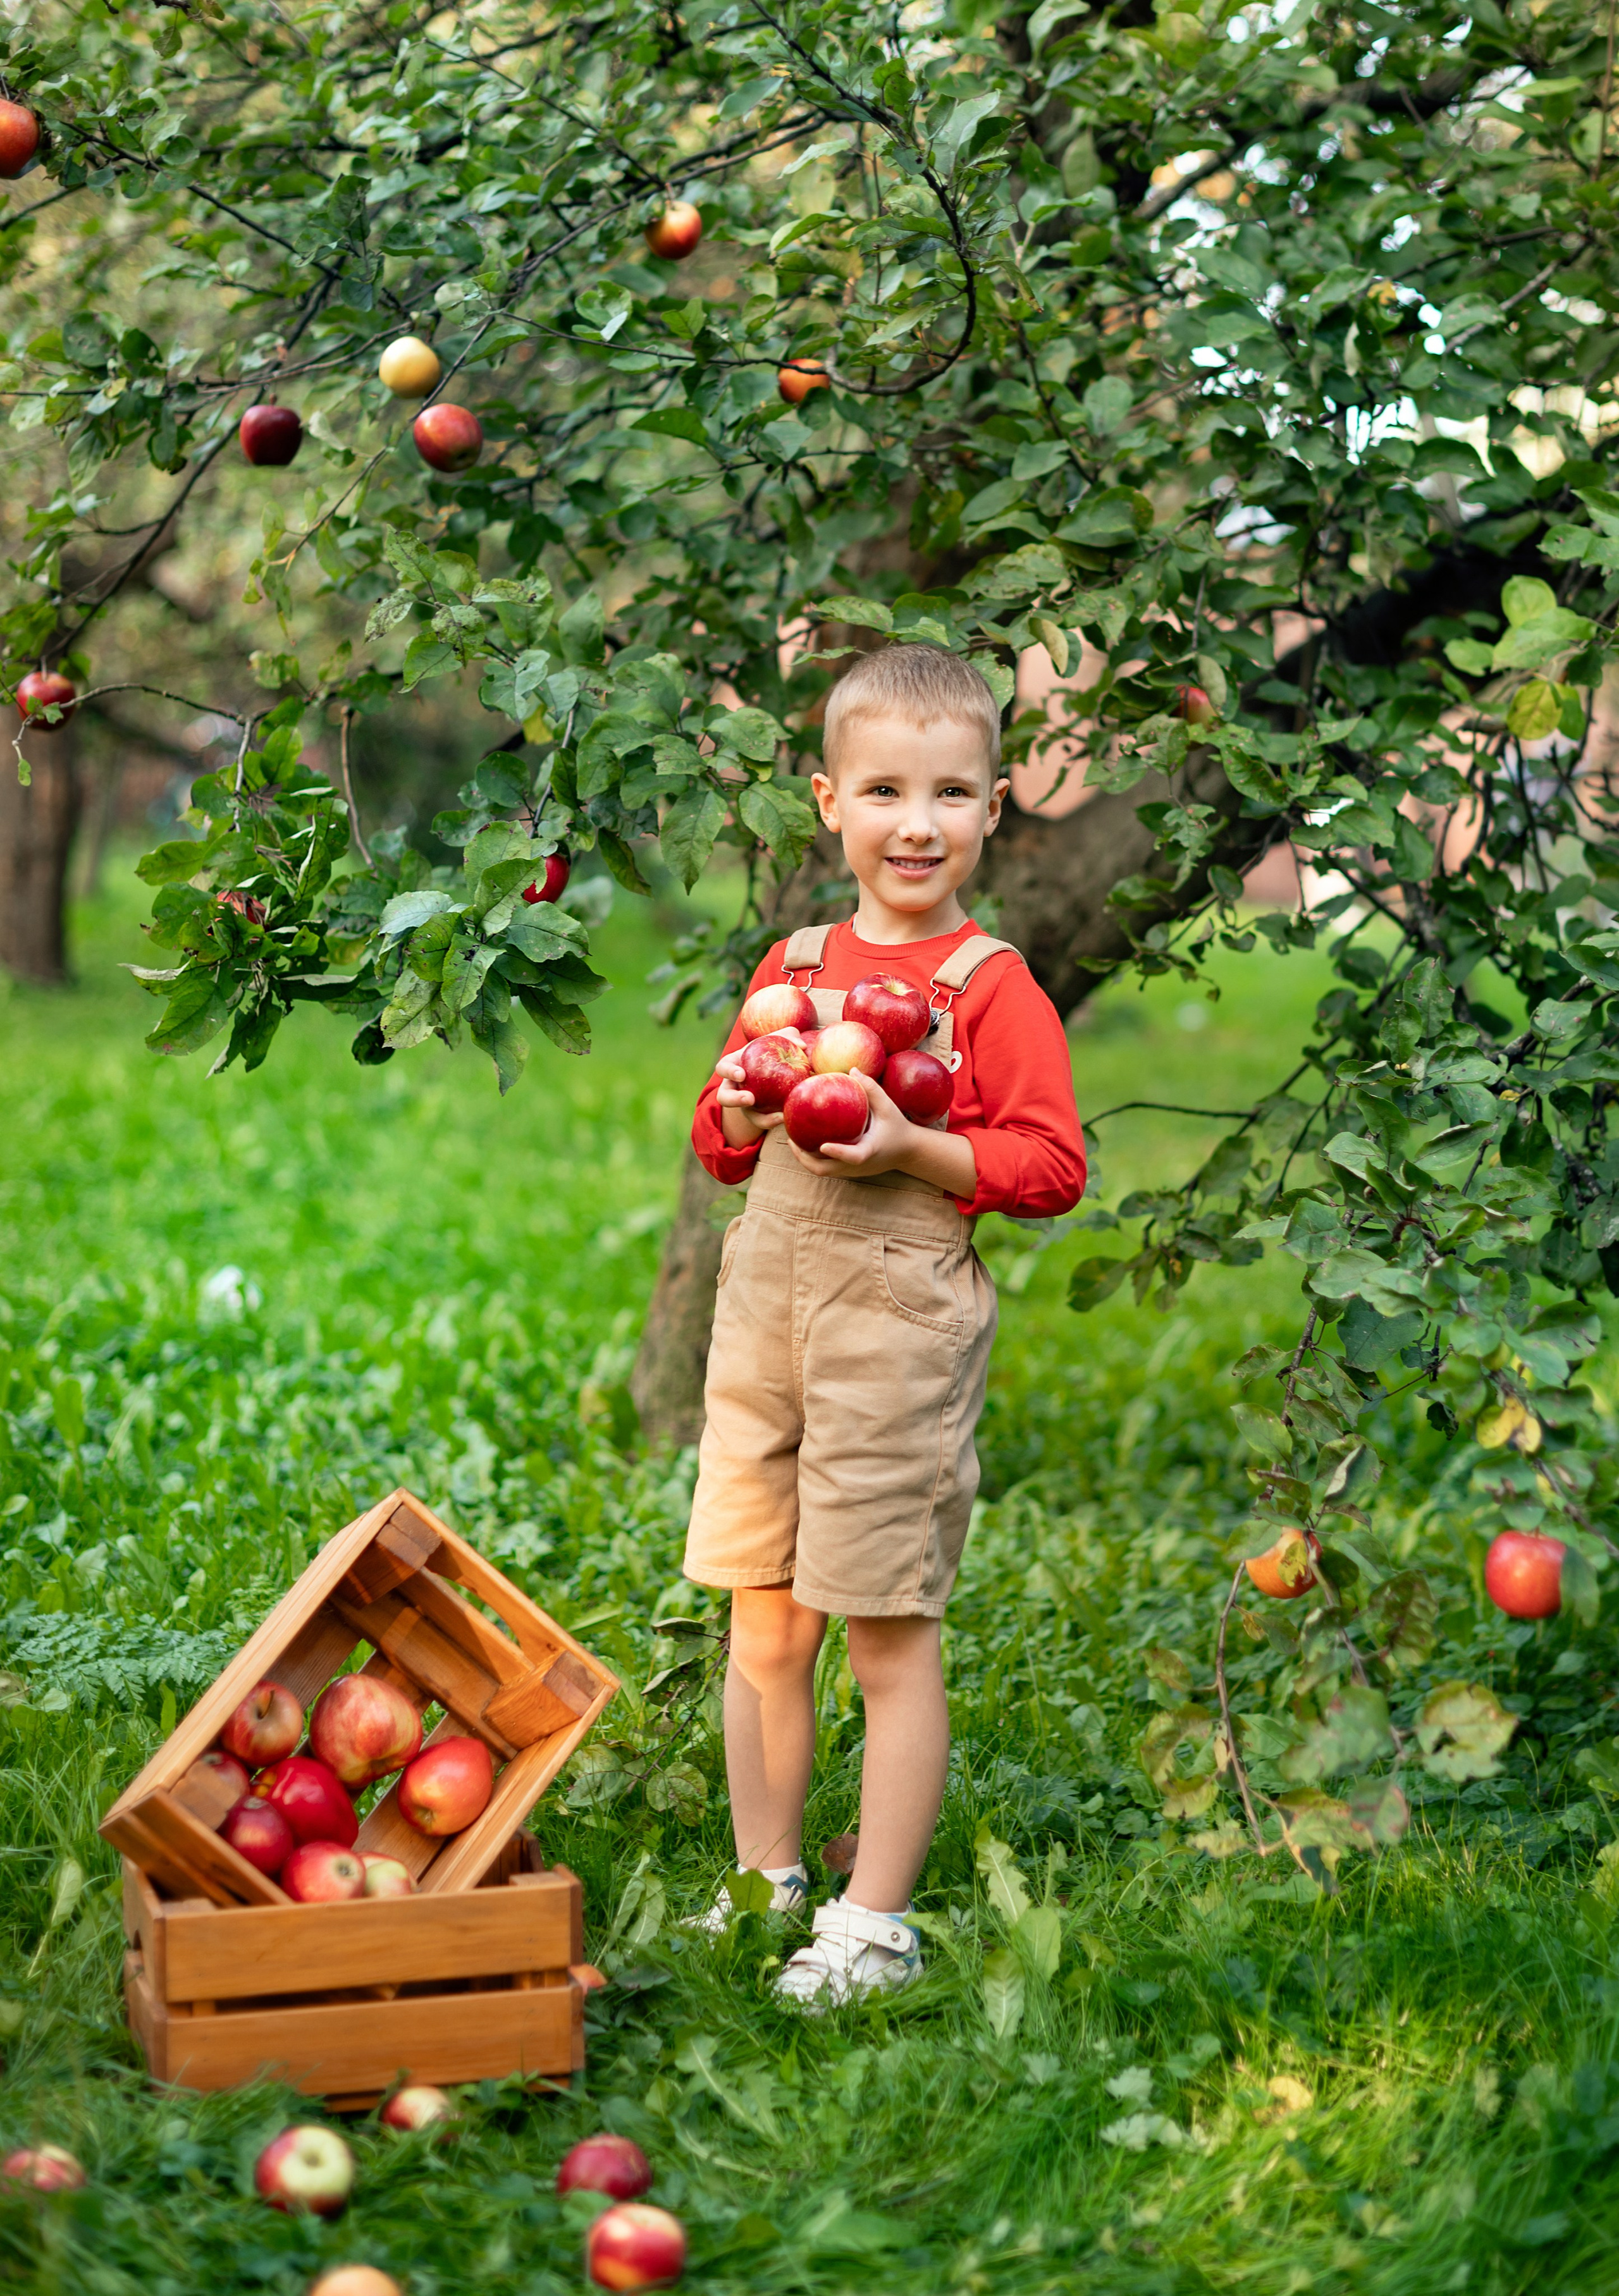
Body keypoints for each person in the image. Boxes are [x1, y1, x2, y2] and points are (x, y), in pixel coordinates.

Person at [684, 643, 1086, 2006]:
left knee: (884, 1627)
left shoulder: (987, 986)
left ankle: (873, 1917)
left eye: (949, 792)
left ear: (994, 805)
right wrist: (739, 1111)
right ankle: (764, 1876)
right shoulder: (792, 966)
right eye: (884, 790)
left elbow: (1047, 1167)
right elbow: (720, 1141)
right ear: (828, 802)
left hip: (892, 1334)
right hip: (764, 1330)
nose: (915, 821)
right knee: (761, 1619)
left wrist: (914, 1142)